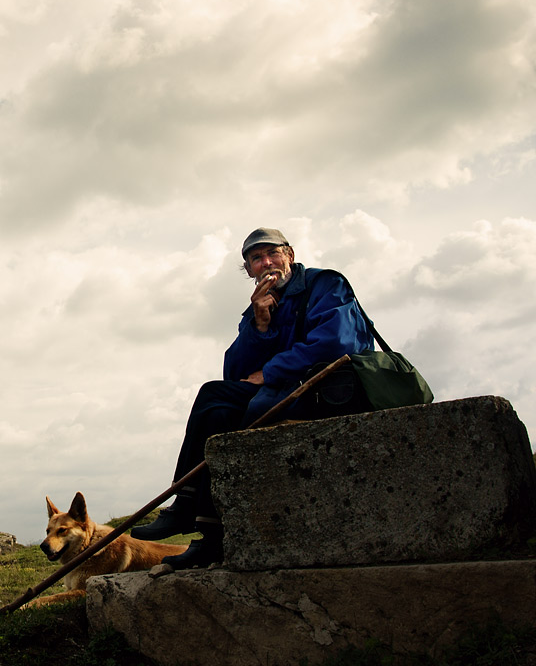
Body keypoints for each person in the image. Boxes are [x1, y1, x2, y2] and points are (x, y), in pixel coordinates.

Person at [130, 227, 375, 569]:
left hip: (329, 391)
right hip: (285, 392)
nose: (266, 263)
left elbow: (338, 343)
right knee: (216, 411)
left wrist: (271, 370)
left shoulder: (325, 285)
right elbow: (236, 370)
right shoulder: (260, 303)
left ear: (289, 254)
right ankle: (209, 537)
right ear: (249, 271)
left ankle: (185, 504)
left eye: (272, 253)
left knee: (216, 398)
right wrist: (260, 325)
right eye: (256, 259)